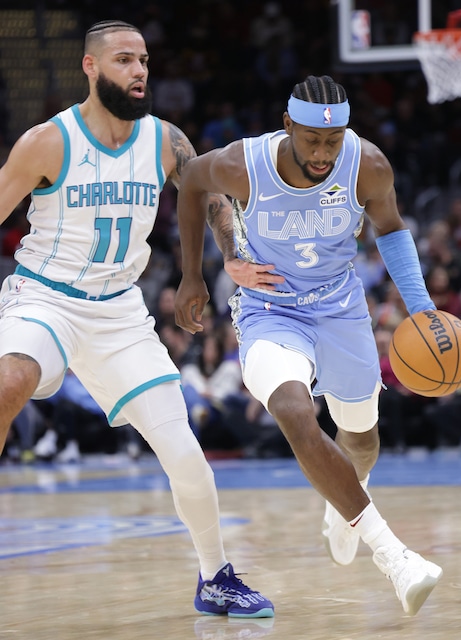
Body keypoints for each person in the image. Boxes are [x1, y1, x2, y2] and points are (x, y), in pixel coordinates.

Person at [0, 20, 273, 619]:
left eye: (144, 59)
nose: (140, 70)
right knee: (10, 380)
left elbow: (206, 194)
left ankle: (215, 578)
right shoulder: (47, 141)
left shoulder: (163, 140)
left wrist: (231, 254)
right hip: (45, 297)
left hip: (121, 312)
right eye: (124, 60)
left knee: (184, 452)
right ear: (91, 69)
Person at [175, 74, 443, 617]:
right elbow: (191, 181)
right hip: (269, 307)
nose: (323, 153)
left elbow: (390, 230)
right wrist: (199, 271)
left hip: (340, 308)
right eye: (312, 140)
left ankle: (342, 505)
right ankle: (395, 557)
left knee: (361, 441)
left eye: (334, 140)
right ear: (288, 125)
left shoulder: (367, 164)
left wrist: (422, 309)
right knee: (296, 412)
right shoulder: (242, 163)